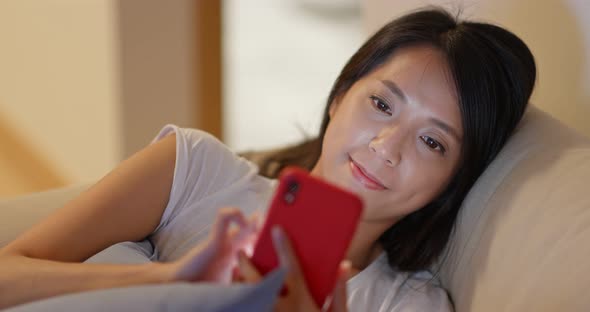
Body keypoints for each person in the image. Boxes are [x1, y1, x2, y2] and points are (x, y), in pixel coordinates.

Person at [0, 7, 536, 311]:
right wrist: (172, 283)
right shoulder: (196, 169)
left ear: (453, 180)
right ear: (338, 97)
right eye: (381, 104)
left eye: (433, 142)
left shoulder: (409, 307)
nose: (388, 145)